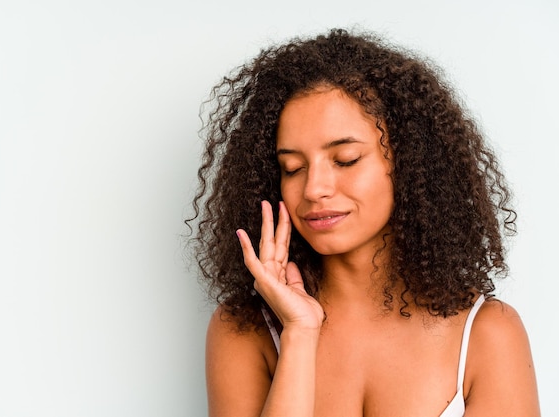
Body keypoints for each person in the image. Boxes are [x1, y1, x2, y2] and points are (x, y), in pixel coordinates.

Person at [187, 28, 540, 417]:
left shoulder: (487, 335)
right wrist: (301, 335)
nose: (314, 189)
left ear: (407, 162)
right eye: (293, 168)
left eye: (346, 160)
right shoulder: (244, 330)